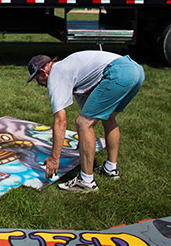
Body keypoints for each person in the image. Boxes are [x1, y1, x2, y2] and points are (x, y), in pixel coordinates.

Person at [27, 51, 144, 192]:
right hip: (135, 70)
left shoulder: (56, 74)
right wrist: (84, 140)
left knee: (83, 123)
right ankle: (110, 169)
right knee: (108, 117)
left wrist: (54, 158)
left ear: (43, 72)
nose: (39, 84)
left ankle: (86, 181)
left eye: (37, 79)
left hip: (119, 72)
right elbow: (90, 112)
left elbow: (60, 122)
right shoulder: (71, 72)